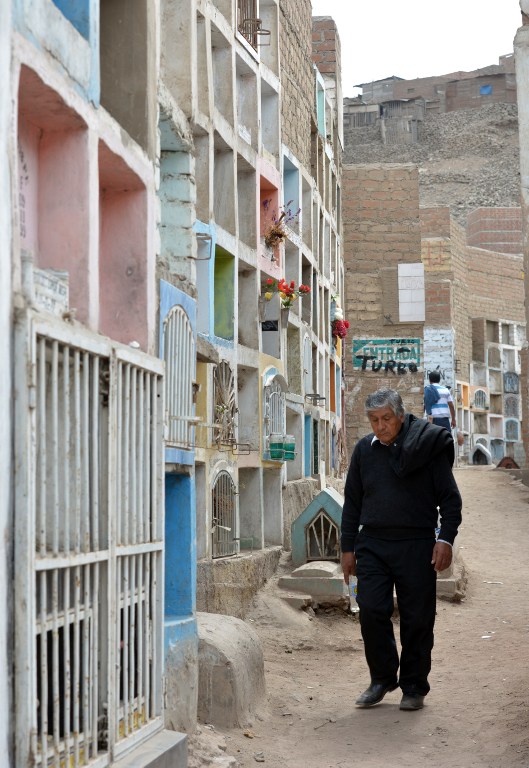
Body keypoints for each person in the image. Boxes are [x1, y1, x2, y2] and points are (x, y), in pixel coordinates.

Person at [341, 388, 462, 711]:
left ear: (400, 416)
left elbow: (450, 499)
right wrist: (347, 548)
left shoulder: (426, 448)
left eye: (386, 419)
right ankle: (381, 678)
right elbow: (352, 502)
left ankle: (414, 685)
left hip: (417, 544)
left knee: (417, 618)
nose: (380, 426)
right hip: (373, 545)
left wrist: (445, 539)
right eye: (373, 420)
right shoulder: (364, 452)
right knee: (371, 609)